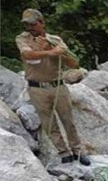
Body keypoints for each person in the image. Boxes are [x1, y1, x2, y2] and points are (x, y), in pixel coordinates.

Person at [15, 9, 90, 165]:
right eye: (26, 25)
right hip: (36, 89)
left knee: (68, 121)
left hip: (58, 86)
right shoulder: (22, 39)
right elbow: (27, 55)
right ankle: (63, 153)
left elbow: (74, 63)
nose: (30, 28)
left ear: (42, 23)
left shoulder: (55, 40)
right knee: (49, 124)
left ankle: (78, 150)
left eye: (33, 24)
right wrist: (50, 53)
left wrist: (54, 49)